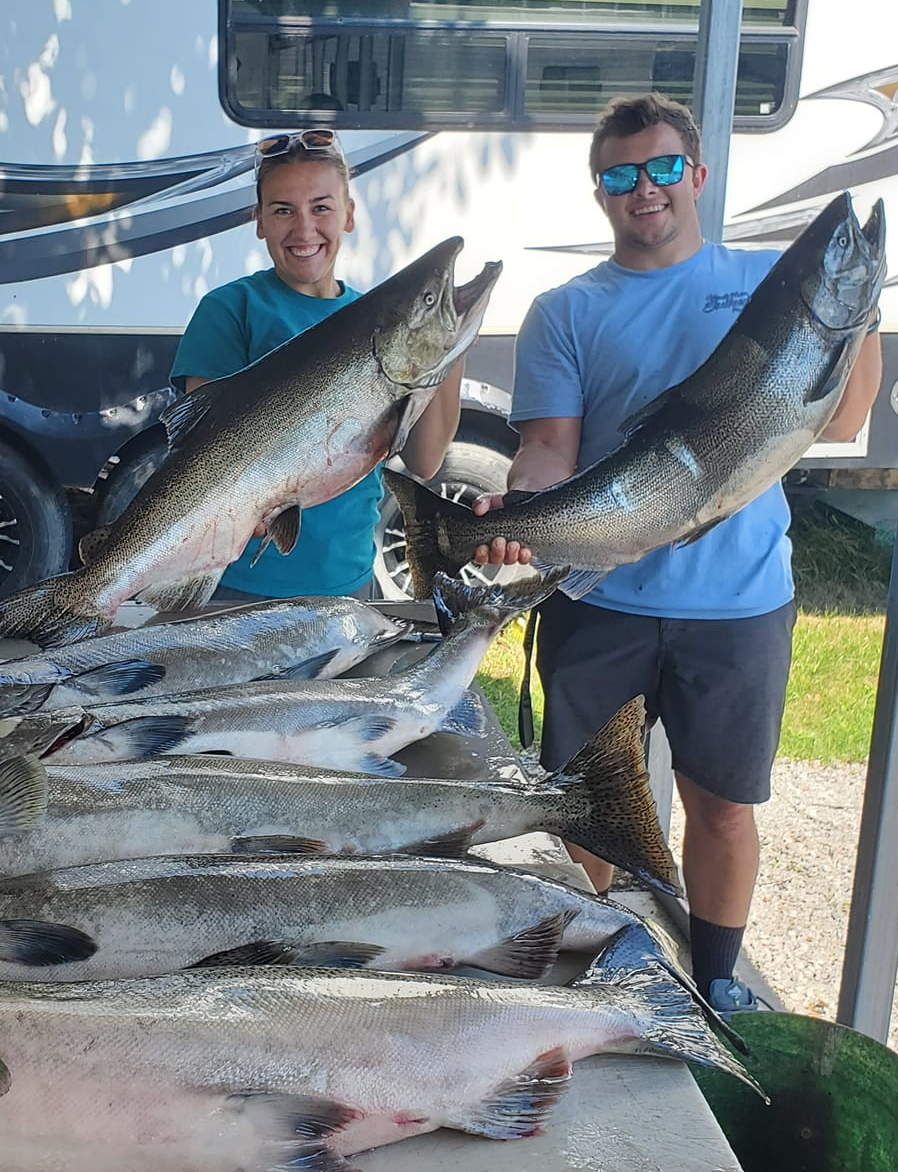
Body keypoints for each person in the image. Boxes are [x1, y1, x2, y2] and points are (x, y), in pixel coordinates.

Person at [473, 93, 883, 1012]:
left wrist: (859, 316)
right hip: (603, 596)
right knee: (588, 808)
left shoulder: (768, 278)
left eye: (662, 168)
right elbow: (550, 448)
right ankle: (577, 969)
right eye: (620, 175)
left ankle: (716, 980)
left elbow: (846, 414)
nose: (644, 189)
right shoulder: (566, 309)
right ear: (600, 192)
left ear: (695, 175)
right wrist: (524, 508)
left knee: (725, 808)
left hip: (738, 604)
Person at [170, 129, 464, 601]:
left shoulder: (387, 324)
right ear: (259, 221)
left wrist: (446, 338)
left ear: (348, 215)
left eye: (321, 207)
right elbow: (202, 454)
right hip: (236, 589)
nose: (304, 229)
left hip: (349, 586)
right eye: (283, 210)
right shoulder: (231, 309)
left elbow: (425, 461)